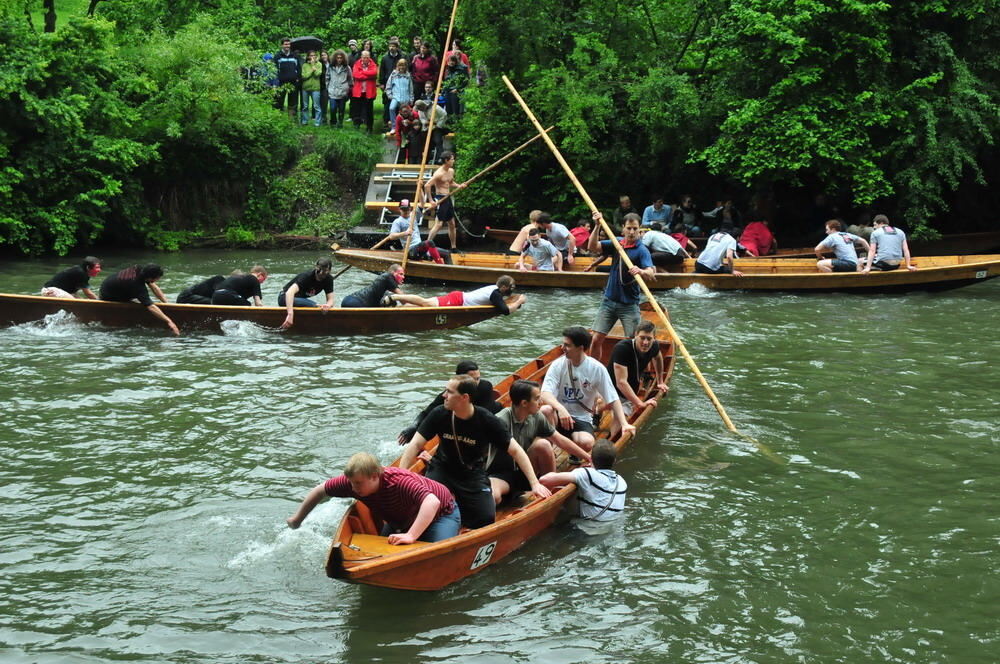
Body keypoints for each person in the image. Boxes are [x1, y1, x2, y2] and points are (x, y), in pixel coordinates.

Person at [399, 375, 551, 528]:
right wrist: (401, 475)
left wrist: (535, 483)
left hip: (471, 473)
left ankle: (457, 510)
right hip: (442, 469)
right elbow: (415, 444)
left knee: (485, 518)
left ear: (464, 397)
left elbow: (516, 451)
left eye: (449, 392)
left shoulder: (486, 420)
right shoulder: (439, 413)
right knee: (427, 502)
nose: (444, 395)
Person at [286, 452, 461, 544]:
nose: (353, 488)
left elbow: (432, 502)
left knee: (435, 551)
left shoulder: (399, 482)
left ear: (375, 476)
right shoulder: (353, 482)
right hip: (401, 520)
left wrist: (411, 536)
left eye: (358, 483)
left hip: (441, 514)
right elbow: (320, 491)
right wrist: (297, 519)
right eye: (351, 483)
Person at [488, 379, 592, 505]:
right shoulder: (500, 420)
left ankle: (550, 493)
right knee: (493, 497)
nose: (540, 402)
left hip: (524, 472)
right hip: (500, 475)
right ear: (524, 403)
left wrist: (588, 458)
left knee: (543, 445)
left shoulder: (536, 416)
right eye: (537, 399)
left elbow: (559, 440)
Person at [540, 326, 634, 452]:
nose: (562, 348)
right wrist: (561, 409)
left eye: (567, 345)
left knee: (587, 443)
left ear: (581, 348)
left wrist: (624, 424)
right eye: (563, 344)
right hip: (558, 417)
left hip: (581, 418)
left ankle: (573, 449)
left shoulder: (597, 368)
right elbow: (545, 393)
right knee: (545, 409)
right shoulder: (558, 365)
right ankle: (549, 451)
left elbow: (612, 398)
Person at [586, 212, 655, 363]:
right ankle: (594, 369)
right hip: (608, 301)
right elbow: (592, 247)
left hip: (629, 305)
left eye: (635, 229)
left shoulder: (641, 250)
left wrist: (641, 271)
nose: (631, 232)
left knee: (635, 342)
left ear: (639, 230)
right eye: (629, 228)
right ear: (623, 228)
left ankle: (640, 370)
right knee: (596, 339)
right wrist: (597, 226)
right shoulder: (617, 244)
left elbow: (651, 273)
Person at [396, 360, 502, 444]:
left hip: (489, 412)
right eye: (471, 379)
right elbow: (428, 412)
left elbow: (483, 416)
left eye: (478, 378)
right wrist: (414, 426)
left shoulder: (484, 387)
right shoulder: (449, 395)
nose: (475, 383)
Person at [539, 439, 627, 525]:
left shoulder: (587, 474)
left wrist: (581, 471)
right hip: (614, 526)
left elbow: (544, 479)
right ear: (614, 460)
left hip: (589, 531)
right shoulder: (622, 482)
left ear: (591, 459)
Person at [604, 320, 668, 437]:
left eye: (649, 339)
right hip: (609, 389)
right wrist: (640, 403)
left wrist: (660, 382)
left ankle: (612, 445)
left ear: (654, 339)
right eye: (642, 338)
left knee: (620, 421)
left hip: (628, 393)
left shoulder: (654, 346)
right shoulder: (622, 349)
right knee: (599, 406)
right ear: (635, 336)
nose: (645, 342)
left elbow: (658, 358)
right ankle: (598, 411)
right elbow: (621, 382)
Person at [99, 264, 179, 336]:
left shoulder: (139, 269)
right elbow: (150, 306)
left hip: (108, 286)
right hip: (108, 296)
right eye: (157, 278)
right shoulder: (137, 285)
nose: (157, 280)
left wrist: (167, 303)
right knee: (143, 304)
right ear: (150, 277)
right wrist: (169, 321)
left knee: (141, 300)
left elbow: (154, 287)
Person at [388, 275, 525, 313]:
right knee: (425, 303)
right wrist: (518, 302)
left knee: (423, 306)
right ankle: (395, 297)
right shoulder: (495, 294)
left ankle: (398, 308)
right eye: (510, 288)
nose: (510, 290)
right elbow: (505, 311)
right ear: (503, 287)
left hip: (458, 297)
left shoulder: (494, 290)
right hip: (457, 300)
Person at [278, 258, 335, 329]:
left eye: (325, 271)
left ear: (329, 270)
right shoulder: (306, 276)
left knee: (317, 306)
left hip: (299, 300)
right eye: (319, 270)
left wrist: (327, 305)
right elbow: (289, 293)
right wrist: (290, 314)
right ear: (316, 267)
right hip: (285, 298)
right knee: (314, 306)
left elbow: (331, 300)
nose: (321, 273)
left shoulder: (328, 279)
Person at [425, 152, 465, 252]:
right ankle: (425, 246)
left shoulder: (451, 171)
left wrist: (459, 186)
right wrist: (431, 201)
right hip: (440, 198)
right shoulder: (439, 173)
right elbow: (427, 185)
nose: (453, 161)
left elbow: (450, 183)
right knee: (439, 224)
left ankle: (453, 247)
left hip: (447, 198)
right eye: (452, 159)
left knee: (452, 223)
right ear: (446, 160)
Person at [378, 38, 405, 129]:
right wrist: (381, 83)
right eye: (390, 46)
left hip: (399, 83)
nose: (391, 48)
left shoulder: (402, 57)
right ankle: (387, 122)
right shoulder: (385, 58)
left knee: (399, 103)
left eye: (393, 46)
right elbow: (382, 70)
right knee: (387, 103)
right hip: (387, 84)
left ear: (397, 47)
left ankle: (399, 122)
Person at [351, 50, 378, 133]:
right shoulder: (356, 64)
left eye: (367, 57)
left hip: (369, 92)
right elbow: (356, 75)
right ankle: (357, 125)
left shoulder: (373, 64)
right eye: (364, 57)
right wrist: (367, 75)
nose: (365, 59)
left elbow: (374, 73)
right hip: (358, 91)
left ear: (369, 57)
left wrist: (362, 72)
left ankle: (369, 127)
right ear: (361, 57)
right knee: (357, 110)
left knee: (369, 110)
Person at [413, 99, 448, 164]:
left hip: (437, 126)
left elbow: (444, 115)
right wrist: (425, 122)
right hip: (427, 127)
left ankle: (440, 158)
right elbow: (421, 118)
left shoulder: (435, 107)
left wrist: (438, 125)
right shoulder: (420, 111)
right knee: (426, 142)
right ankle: (425, 159)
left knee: (438, 141)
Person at [273, 38, 300, 119]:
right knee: (279, 102)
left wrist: (298, 78)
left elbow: (298, 68)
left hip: (293, 83)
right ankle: (278, 119)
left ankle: (292, 120)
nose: (287, 46)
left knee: (293, 102)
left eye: (288, 44)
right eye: (285, 44)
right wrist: (275, 83)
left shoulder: (295, 56)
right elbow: (274, 70)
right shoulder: (277, 56)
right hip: (281, 83)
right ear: (282, 45)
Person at [325, 49, 352, 127]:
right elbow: (327, 78)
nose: (339, 59)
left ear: (343, 58)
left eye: (341, 58)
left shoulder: (347, 68)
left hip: (343, 92)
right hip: (332, 91)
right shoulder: (330, 67)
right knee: (333, 108)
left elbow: (350, 79)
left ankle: (340, 123)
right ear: (335, 58)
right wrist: (328, 87)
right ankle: (333, 122)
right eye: (338, 58)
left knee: (341, 109)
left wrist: (348, 89)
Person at [385, 58, 414, 131]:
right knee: (391, 108)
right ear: (398, 66)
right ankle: (394, 126)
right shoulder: (394, 74)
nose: (401, 67)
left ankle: (406, 127)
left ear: (406, 66)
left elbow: (411, 88)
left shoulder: (408, 75)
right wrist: (389, 95)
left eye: (403, 65)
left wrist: (411, 98)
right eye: (400, 65)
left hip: (405, 97)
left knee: (406, 112)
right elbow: (388, 85)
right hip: (396, 97)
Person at [442, 54, 469, 119]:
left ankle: (457, 123)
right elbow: (445, 81)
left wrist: (457, 89)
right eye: (450, 61)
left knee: (456, 110)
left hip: (456, 92)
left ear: (456, 62)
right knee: (448, 109)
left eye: (453, 61)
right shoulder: (447, 70)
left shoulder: (461, 69)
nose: (451, 62)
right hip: (448, 92)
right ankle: (450, 123)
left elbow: (465, 81)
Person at [299, 51, 323, 126]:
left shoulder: (319, 64)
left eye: (314, 55)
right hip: (305, 88)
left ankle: (317, 122)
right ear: (308, 56)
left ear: (316, 56)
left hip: (315, 88)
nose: (312, 57)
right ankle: (304, 121)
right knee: (305, 106)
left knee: (316, 106)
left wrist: (313, 65)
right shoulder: (305, 65)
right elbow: (304, 76)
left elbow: (317, 74)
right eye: (311, 55)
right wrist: (312, 70)